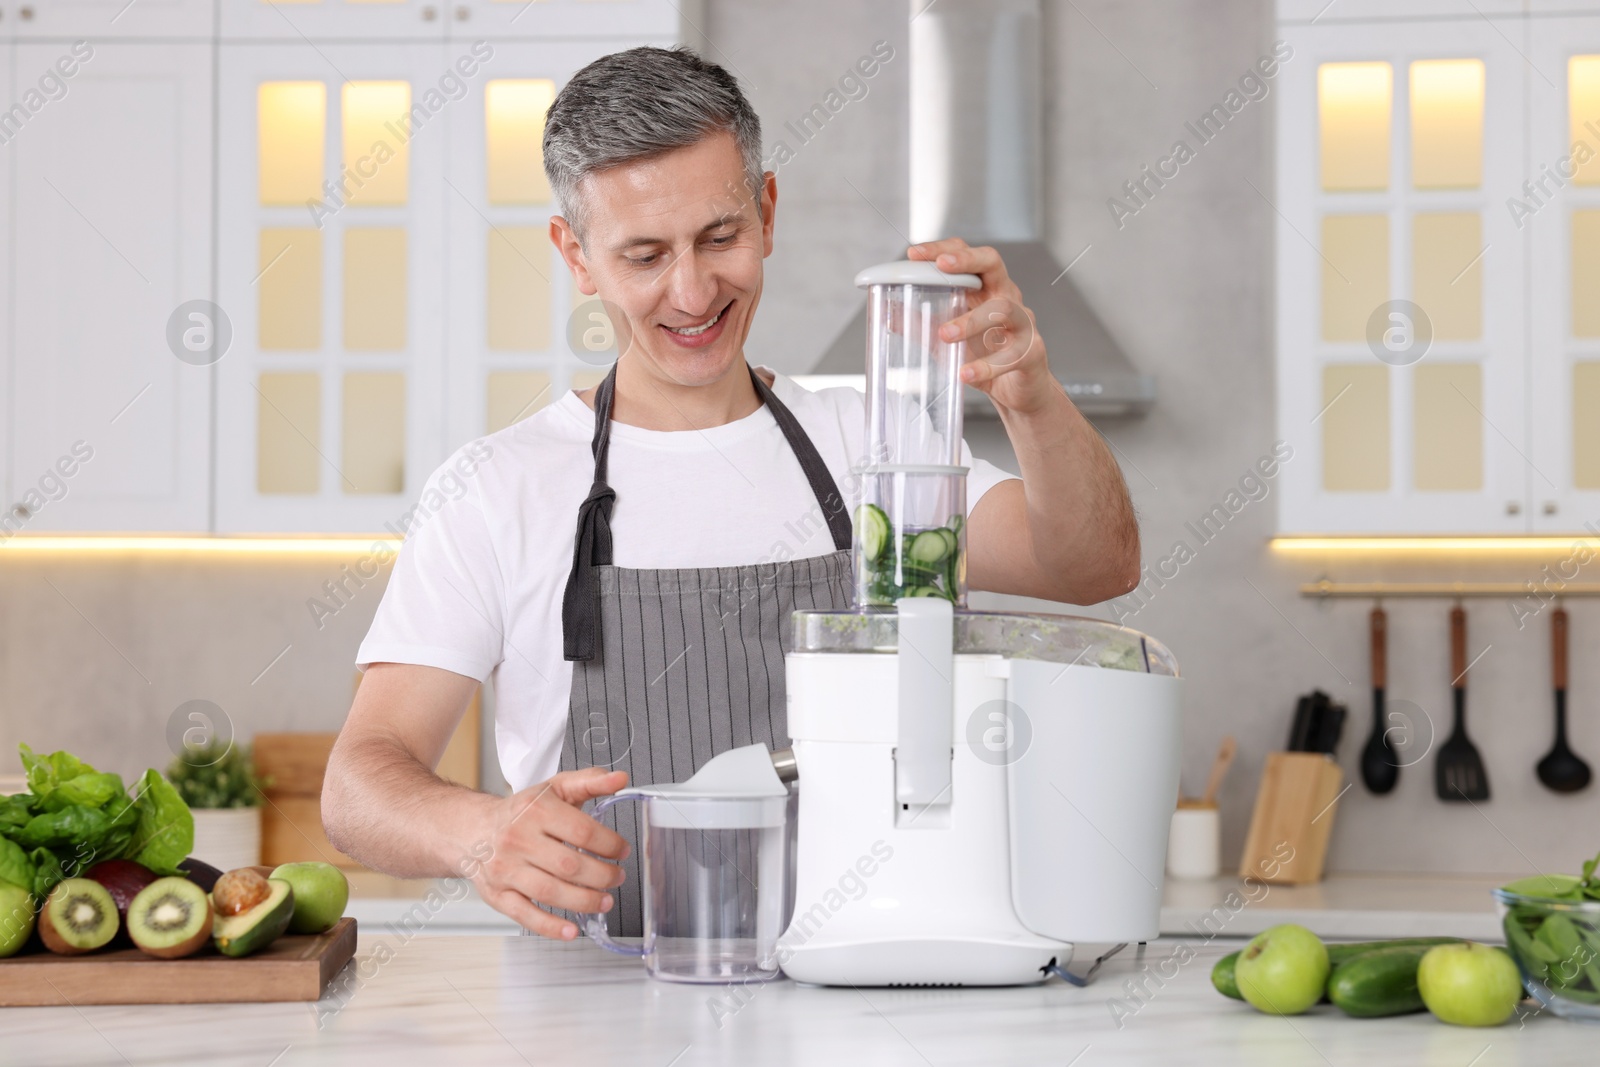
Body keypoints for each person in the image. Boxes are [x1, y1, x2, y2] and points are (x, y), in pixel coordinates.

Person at [323, 45, 1139, 940]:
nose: (693, 290)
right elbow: (362, 782)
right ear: (577, 255)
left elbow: (1094, 563)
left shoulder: (872, 441)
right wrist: (478, 830)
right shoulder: (496, 489)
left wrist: (1031, 394)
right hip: (605, 1006)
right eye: (644, 254)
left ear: (767, 210)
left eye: (720, 237)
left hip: (875, 979)